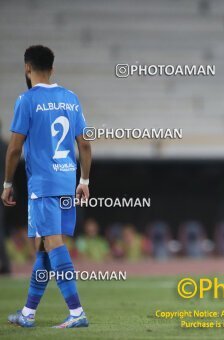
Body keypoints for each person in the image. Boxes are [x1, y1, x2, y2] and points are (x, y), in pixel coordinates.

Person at [2, 45, 92, 328]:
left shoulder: (26, 101)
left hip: (43, 184)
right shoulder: (71, 98)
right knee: (43, 247)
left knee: (52, 243)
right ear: (52, 69)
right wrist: (84, 181)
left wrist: (6, 183)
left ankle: (76, 312)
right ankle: (28, 314)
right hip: (67, 181)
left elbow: (14, 148)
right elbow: (85, 144)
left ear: (27, 68)